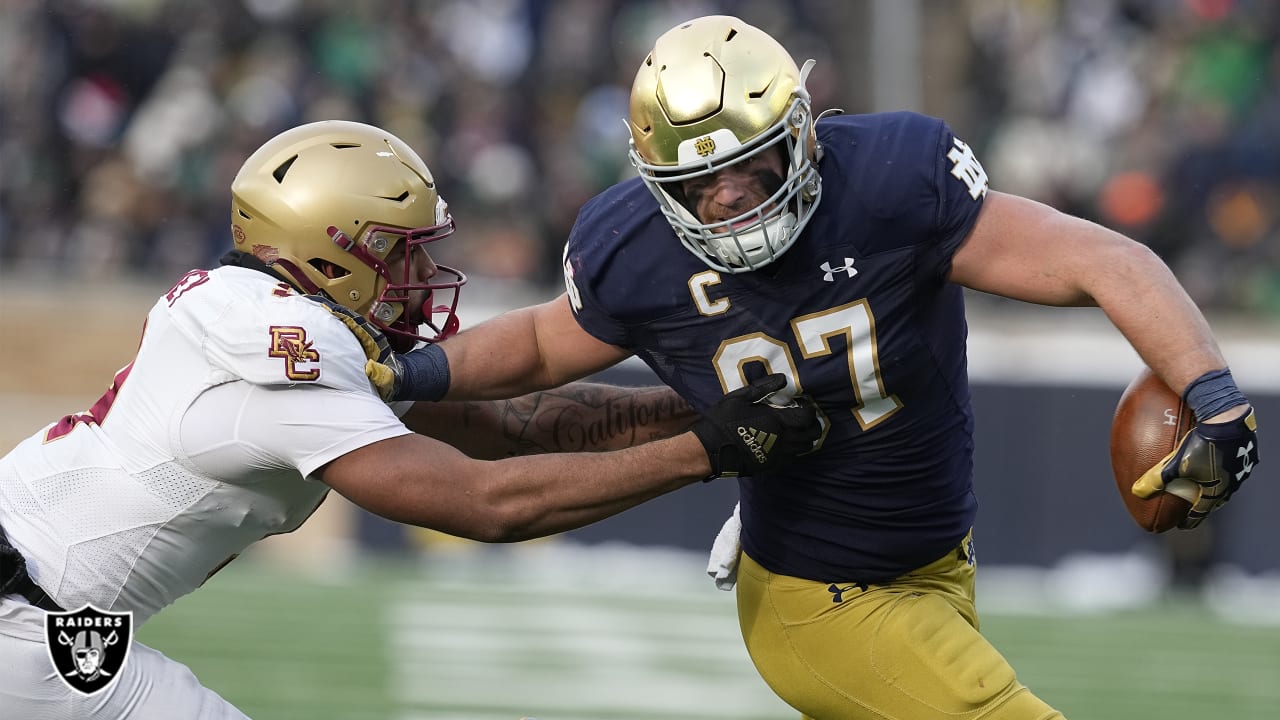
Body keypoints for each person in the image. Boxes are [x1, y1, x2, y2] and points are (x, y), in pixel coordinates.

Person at [381, 15, 1261, 720]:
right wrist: (409, 374)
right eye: (698, 184)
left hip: (940, 564)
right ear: (656, 181)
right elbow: (538, 344)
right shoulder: (634, 253)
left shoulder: (888, 182)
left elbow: (1103, 260)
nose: (728, 198)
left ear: (799, 131)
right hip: (821, 597)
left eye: (746, 166)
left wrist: (1213, 396)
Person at [0, 119, 822, 719]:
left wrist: (704, 406)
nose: (424, 274)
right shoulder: (278, 346)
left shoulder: (272, 314)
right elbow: (485, 504)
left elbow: (515, 424)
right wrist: (704, 452)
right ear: (330, 253)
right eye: (402, 251)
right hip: (26, 619)